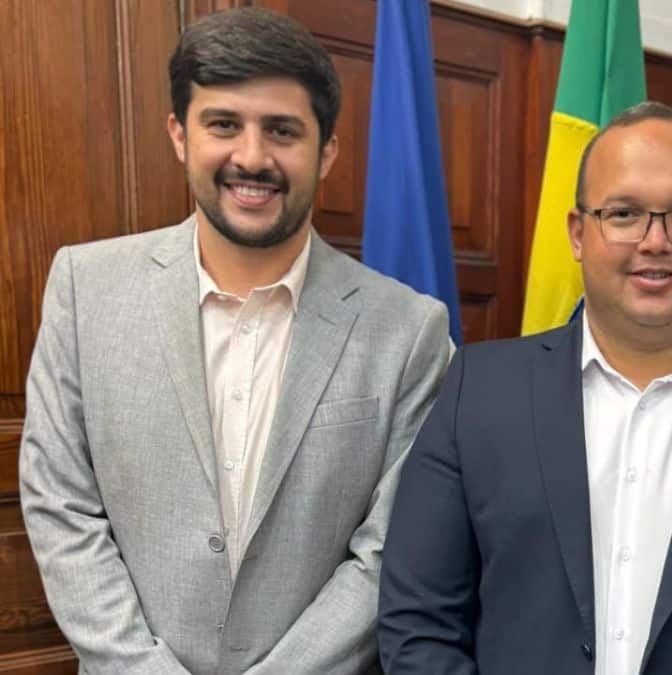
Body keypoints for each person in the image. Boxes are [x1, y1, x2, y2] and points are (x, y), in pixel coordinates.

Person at [19, 8, 450, 673]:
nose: (252, 157)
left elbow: (388, 549)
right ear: (179, 135)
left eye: (282, 130)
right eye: (223, 124)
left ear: (326, 151)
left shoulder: (409, 330)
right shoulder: (85, 289)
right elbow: (60, 504)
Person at [377, 101, 672, 675]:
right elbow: (419, 624)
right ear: (578, 233)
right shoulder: (479, 391)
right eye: (624, 213)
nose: (655, 241)